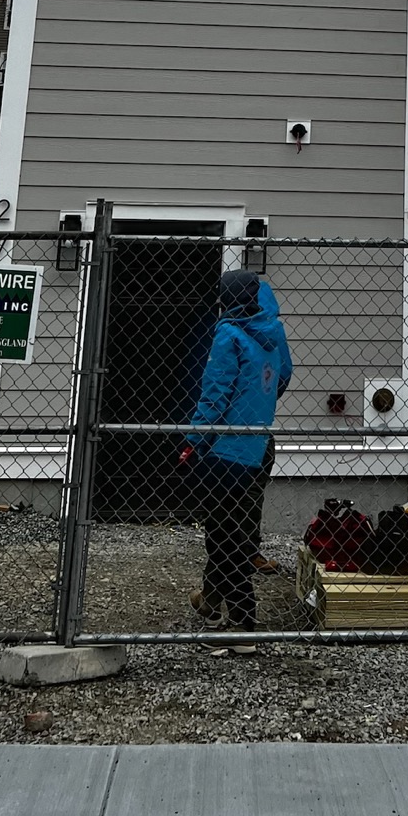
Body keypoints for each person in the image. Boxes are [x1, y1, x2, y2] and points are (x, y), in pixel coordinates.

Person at [183, 271, 291, 644]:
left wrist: (192, 441)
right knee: (237, 531)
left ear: (225, 302)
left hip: (225, 452)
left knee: (222, 537)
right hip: (259, 445)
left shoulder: (228, 335)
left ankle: (243, 624)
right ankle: (211, 604)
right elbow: (283, 378)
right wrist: (256, 408)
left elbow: (214, 396)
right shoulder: (273, 336)